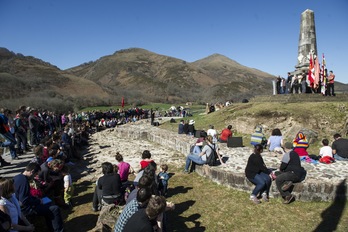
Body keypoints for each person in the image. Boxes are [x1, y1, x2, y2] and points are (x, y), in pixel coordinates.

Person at [13, 163, 64, 232]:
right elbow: (24, 200)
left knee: (49, 206)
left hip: (25, 206)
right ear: (32, 171)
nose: (35, 176)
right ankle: (58, 230)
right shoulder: (24, 181)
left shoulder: (18, 176)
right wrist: (38, 201)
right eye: (35, 174)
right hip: (27, 209)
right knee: (55, 209)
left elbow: (25, 196)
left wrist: (36, 199)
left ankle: (52, 228)